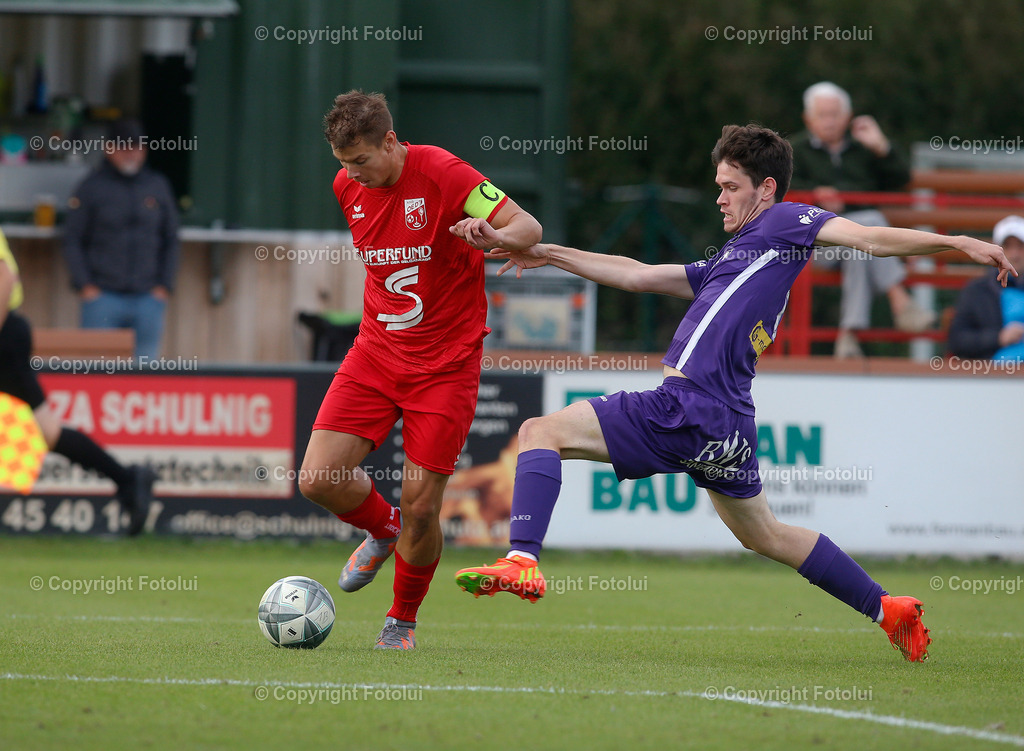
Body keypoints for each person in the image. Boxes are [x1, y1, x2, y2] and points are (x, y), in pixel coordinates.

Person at [455, 124, 1015, 663]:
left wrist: (954, 241)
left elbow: (869, 238)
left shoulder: (784, 221)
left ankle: (521, 559)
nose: (719, 198)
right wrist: (549, 253)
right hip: (728, 423)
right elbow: (638, 275)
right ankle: (887, 609)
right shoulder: (736, 256)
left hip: (687, 405)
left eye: (730, 187)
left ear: (766, 189)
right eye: (718, 186)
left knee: (539, 431)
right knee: (766, 535)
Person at [299, 91, 542, 650]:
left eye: (361, 160)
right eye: (343, 164)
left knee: (423, 505)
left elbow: (527, 227)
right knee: (318, 479)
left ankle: (400, 621)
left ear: (390, 141)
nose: (352, 175)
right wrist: (353, 173)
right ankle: (382, 529)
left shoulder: (444, 173)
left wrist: (495, 237)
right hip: (375, 354)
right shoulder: (347, 187)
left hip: (445, 367)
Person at [0, 228, 155, 534]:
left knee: (46, 431)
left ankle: (128, 479)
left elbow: (5, 277)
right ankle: (128, 479)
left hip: (5, 339)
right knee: (45, 432)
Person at [791, 82, 935, 358]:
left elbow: (901, 178)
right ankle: (900, 300)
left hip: (856, 243)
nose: (829, 121)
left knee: (856, 245)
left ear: (847, 117)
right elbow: (780, 189)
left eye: (834, 114)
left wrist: (882, 146)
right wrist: (815, 195)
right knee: (867, 225)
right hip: (816, 245)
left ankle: (848, 335)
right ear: (808, 119)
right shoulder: (794, 151)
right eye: (822, 115)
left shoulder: (865, 148)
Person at [62, 119, 180, 361]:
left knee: (145, 369)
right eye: (124, 147)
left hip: (148, 296)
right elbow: (72, 238)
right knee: (96, 368)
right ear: (109, 149)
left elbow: (171, 238)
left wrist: (164, 285)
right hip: (103, 296)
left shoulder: (157, 186)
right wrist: (85, 285)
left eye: (137, 147)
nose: (131, 154)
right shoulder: (91, 187)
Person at [948, 215, 1024, 360]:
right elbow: (957, 341)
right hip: (990, 371)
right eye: (1007, 246)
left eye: (1020, 246)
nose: (1015, 254)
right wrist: (999, 338)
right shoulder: (976, 291)